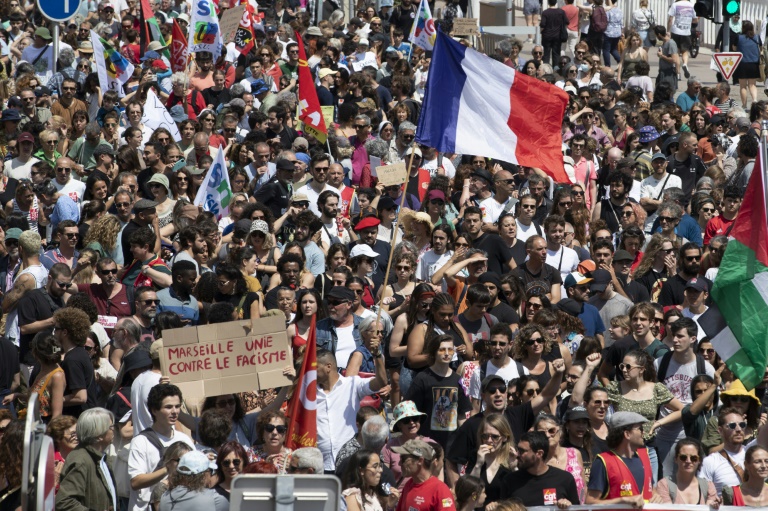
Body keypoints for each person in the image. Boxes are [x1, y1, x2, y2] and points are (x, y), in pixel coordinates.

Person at [315, 343, 388, 473]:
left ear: (328, 367)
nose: (311, 371)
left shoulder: (352, 384)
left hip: (349, 462)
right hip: (320, 464)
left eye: (315, 367)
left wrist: (377, 356)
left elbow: (381, 382)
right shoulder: (309, 392)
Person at [127, 384, 195, 511]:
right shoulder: (140, 442)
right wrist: (168, 469)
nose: (174, 412)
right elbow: (136, 482)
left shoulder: (184, 439)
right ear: (154, 410)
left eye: (177, 406)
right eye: (168, 407)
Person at [406, 334, 471, 447]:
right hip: (426, 442)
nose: (446, 353)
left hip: (451, 444)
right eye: (442, 350)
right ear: (434, 352)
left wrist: (466, 438)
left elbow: (461, 415)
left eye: (450, 350)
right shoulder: (422, 378)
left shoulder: (458, 380)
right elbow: (410, 410)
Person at [55, 408, 118, 511]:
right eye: (110, 427)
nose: (113, 430)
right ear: (99, 435)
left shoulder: (102, 458)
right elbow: (64, 502)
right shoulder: (80, 461)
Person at [586, 411, 653, 506]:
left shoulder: (645, 458)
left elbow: (652, 491)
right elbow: (590, 502)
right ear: (627, 434)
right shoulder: (603, 462)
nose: (643, 432)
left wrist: (657, 496)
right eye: (640, 429)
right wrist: (622, 501)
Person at [498, 430, 579, 507]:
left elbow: (577, 509)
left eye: (522, 451)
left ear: (539, 453)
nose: (517, 454)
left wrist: (568, 506)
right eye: (518, 449)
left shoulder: (565, 479)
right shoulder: (509, 481)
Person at [651, 437, 718, 505]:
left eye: (693, 458)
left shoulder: (708, 487)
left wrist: (714, 506)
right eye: (683, 457)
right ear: (676, 459)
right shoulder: (664, 485)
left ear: (699, 460)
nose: (688, 461)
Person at [467, 413, 516, 504]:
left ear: (505, 437)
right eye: (485, 436)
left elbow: (518, 493)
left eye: (495, 437)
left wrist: (514, 468)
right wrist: (478, 464)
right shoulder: (475, 456)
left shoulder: (511, 457)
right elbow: (469, 492)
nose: (489, 441)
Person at [394, 439, 456, 511]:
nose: (399, 464)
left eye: (403, 459)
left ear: (420, 461)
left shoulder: (440, 490)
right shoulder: (408, 485)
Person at [158, 450, 227, 511]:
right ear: (203, 475)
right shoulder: (216, 499)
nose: (211, 475)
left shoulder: (165, 497)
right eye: (211, 471)